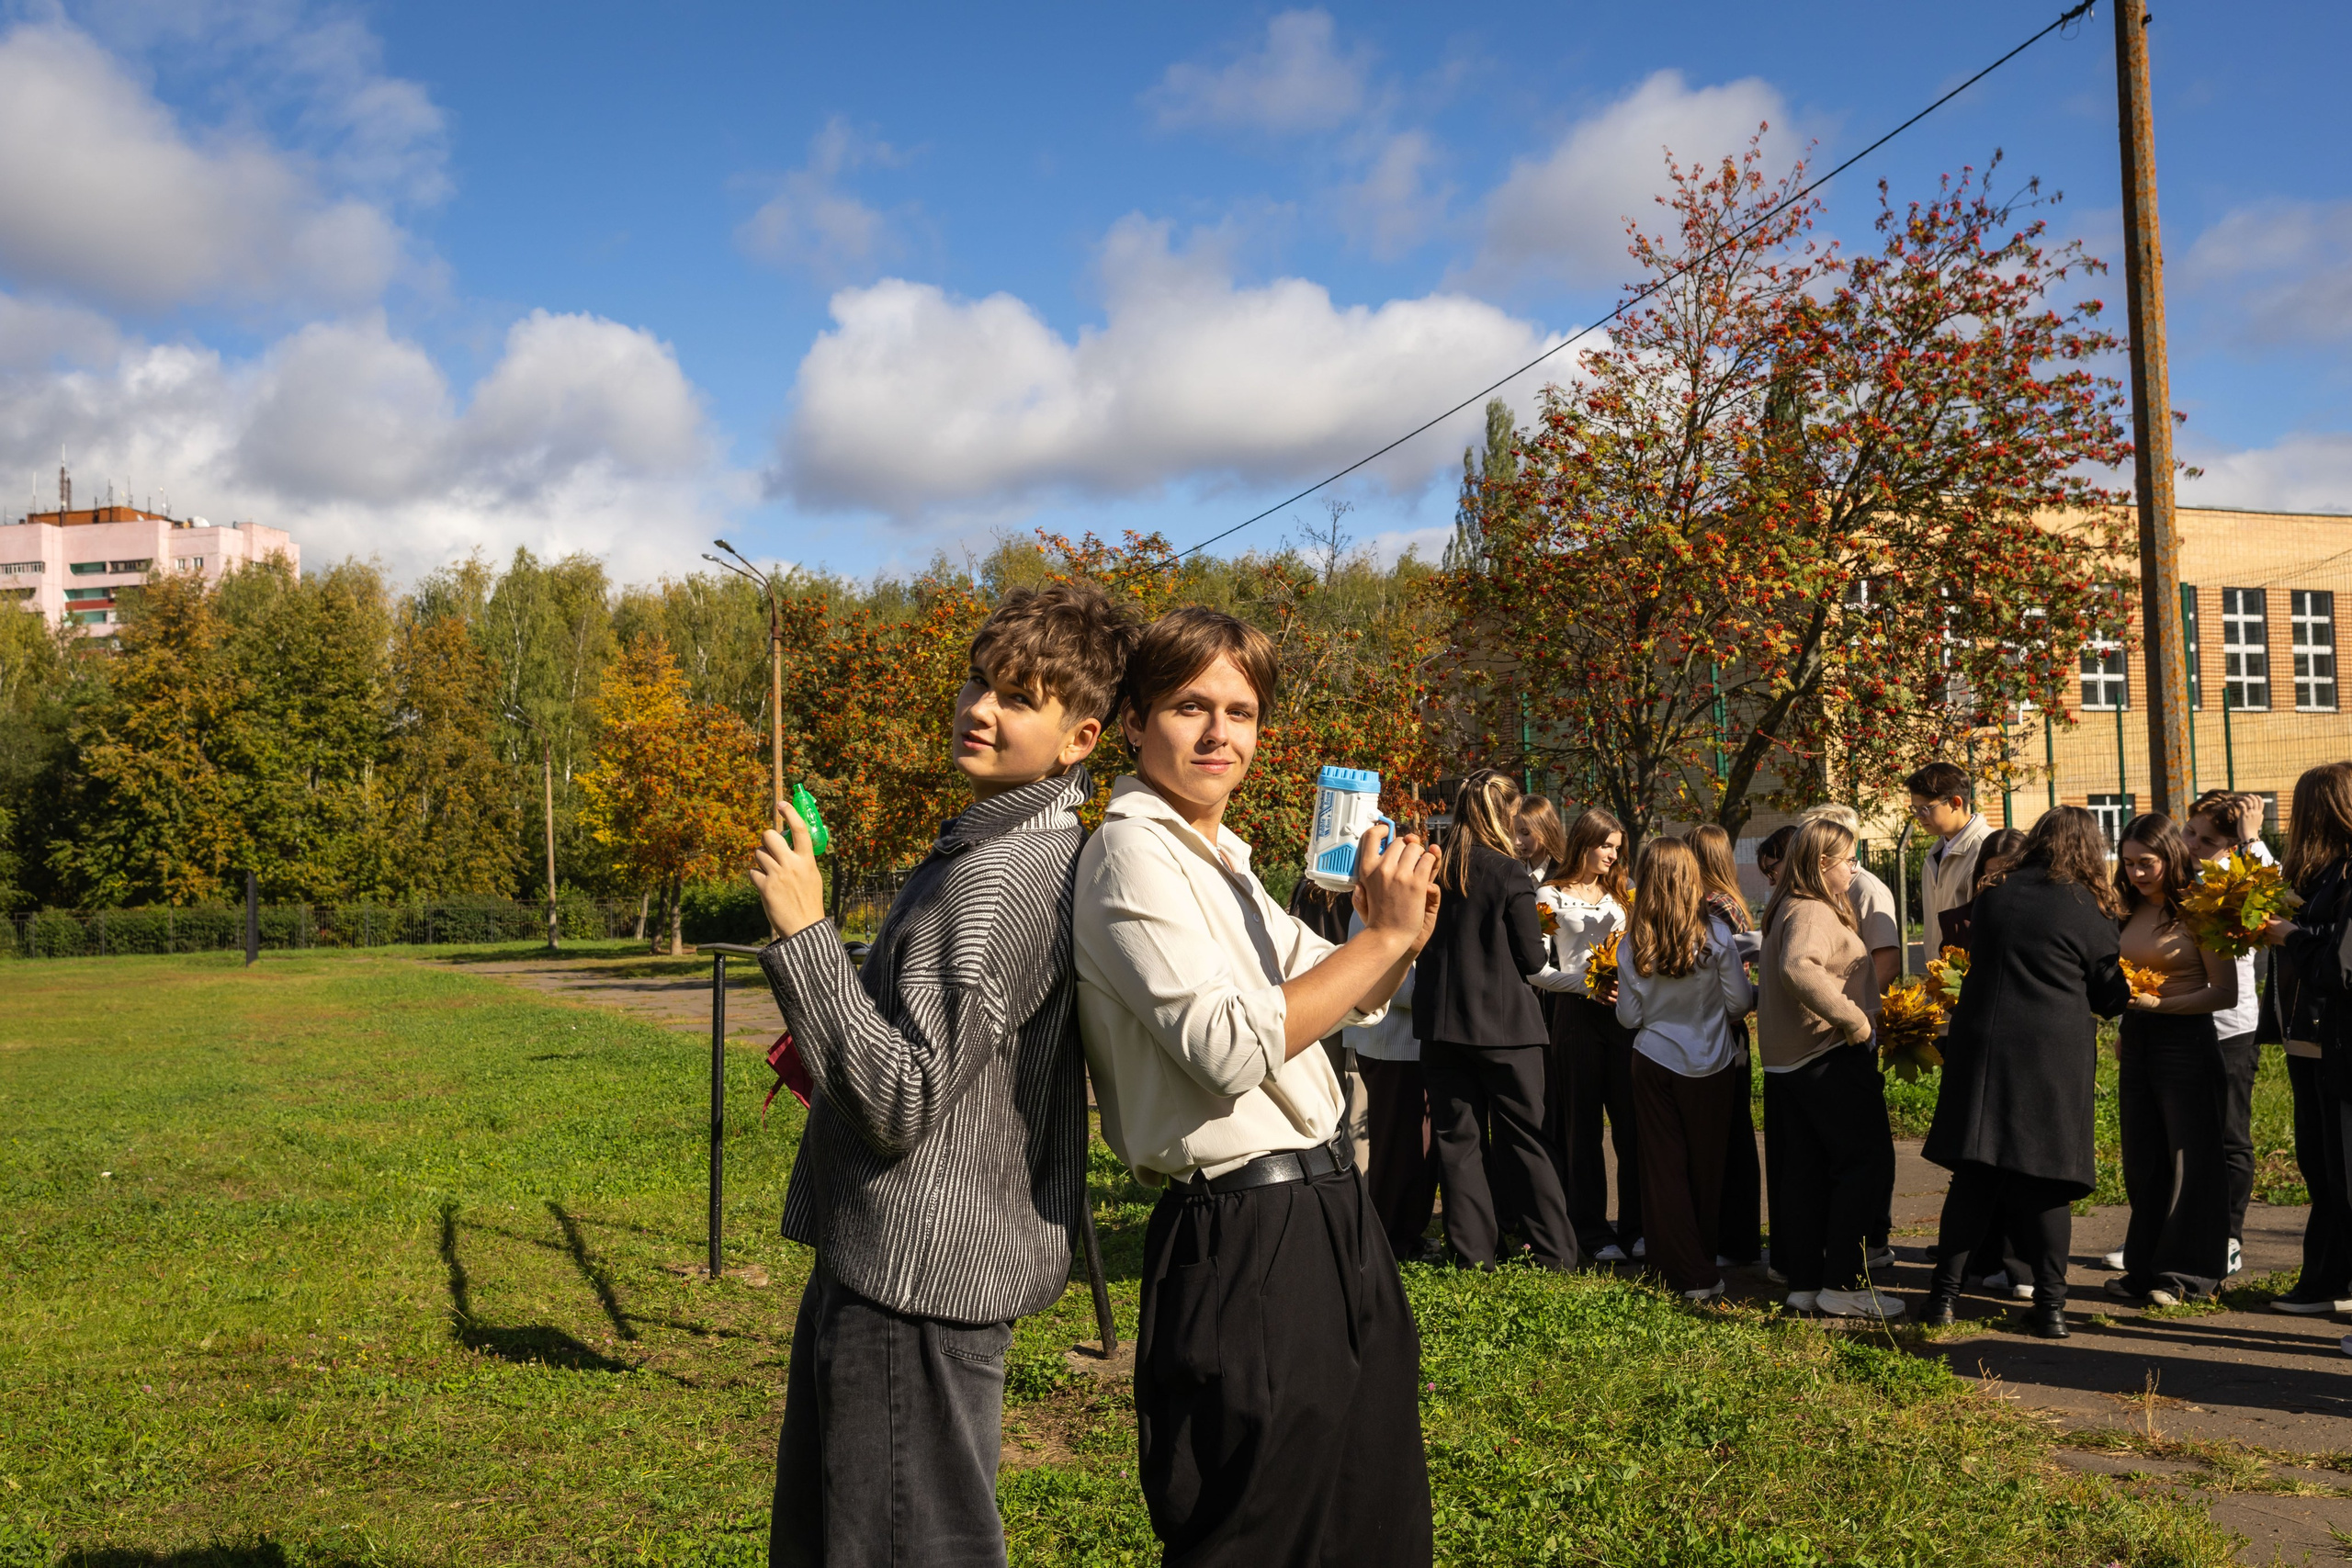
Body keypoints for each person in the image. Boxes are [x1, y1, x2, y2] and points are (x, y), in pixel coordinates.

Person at [747, 581, 1135, 1568]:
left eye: (1019, 697)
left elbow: (898, 1096)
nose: (979, 708)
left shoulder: (999, 877)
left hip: (913, 1284)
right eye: (977, 682)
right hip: (909, 1266)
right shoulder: (1007, 845)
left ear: (1081, 737)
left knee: (900, 1548)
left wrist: (804, 933)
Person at [1073, 606, 1437, 1566]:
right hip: (1241, 1231)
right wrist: (1382, 943)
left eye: (1240, 711)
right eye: (1189, 706)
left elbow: (1352, 999)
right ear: (1133, 721)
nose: (1217, 733)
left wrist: (1393, 928)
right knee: (1259, 1530)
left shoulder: (1218, 855)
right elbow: (1229, 1048)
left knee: (1369, 1513)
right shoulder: (1129, 851)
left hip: (1327, 1213)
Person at [1918, 807, 2131, 1337]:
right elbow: (2108, 994)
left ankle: (1942, 1300)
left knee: (1975, 1174)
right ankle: (2052, 1307)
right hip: (2052, 1051)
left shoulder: (1997, 892)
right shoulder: (2090, 905)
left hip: (1985, 1044)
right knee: (2048, 1180)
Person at [1419, 769, 1578, 1269]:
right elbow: (1532, 961)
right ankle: (1554, 1252)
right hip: (1507, 1029)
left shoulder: (1434, 867)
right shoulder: (1509, 873)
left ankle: (1473, 1255)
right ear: (1503, 813)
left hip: (1442, 1028)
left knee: (1457, 1142)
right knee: (1527, 1138)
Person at [1757, 818, 1902, 1320]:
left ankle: (1806, 1282)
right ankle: (1845, 1284)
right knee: (1865, 1166)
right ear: (1822, 865)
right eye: (1848, 860)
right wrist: (1855, 1021)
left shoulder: (1788, 905)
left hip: (1789, 1064)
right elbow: (1799, 967)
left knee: (1805, 1175)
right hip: (1825, 1056)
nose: (1854, 868)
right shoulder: (1814, 910)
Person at [2105, 812, 2238, 1306]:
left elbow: (2224, 992)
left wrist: (2162, 1007)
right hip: (2138, 1038)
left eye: (2147, 863)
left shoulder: (2200, 910)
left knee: (2190, 1159)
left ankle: (2188, 1277)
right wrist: (2130, 1022)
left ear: (2172, 857)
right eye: (2129, 863)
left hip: (2186, 1042)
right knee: (2144, 1160)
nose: (2137, 873)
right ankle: (2144, 1271)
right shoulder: (2128, 907)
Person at [1616, 838, 1756, 1301]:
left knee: (1662, 1170)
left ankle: (1675, 1268)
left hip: (1655, 1059)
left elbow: (1630, 1018)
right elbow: (1740, 1001)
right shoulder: (1715, 934)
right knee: (1706, 1167)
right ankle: (1702, 1261)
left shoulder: (1633, 939)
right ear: (1691, 877)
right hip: (1712, 1061)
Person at [2264, 763, 2352, 1325]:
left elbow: (2341, 961)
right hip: (2307, 1035)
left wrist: (2291, 935)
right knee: (2319, 1166)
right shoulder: (2318, 872)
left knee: (2335, 1169)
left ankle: (2328, 1278)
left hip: (2332, 1035)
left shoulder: (2344, 876)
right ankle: (2325, 1276)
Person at [1530, 807, 1638, 1261]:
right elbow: (1537, 968)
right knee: (1582, 1128)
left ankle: (1638, 1228)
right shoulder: (1548, 895)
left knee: (1632, 1127)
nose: (1612, 855)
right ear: (1583, 842)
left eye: (1618, 847)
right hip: (1574, 1017)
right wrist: (1585, 985)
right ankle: (1591, 1232)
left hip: (1624, 1018)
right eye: (1605, 845)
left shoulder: (1625, 894)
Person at [1798, 803, 1899, 1271]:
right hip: (1833, 1032)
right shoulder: (1811, 896)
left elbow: (1885, 960)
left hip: (1852, 1032)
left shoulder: (1865, 888)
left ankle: (1871, 1237)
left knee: (1866, 1146)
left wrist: (1856, 1017)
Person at [2180, 791, 2275, 1280]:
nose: (2193, 843)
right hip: (2178, 1025)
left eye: (2207, 838)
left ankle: (2228, 1238)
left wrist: (2252, 839)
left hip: (2230, 1030)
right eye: (2190, 831)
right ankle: (2174, 1236)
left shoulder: (2242, 879)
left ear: (2232, 844)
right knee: (2177, 1138)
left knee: (2228, 1138)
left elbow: (2273, 897)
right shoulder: (2178, 877)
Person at [1685, 823, 1762, 1266]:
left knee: (1726, 1138)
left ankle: (1733, 1239)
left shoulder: (1713, 905)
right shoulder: (1731, 900)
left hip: (1720, 1029)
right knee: (1735, 1136)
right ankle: (1739, 1237)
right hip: (1731, 1030)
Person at [1345, 907, 1440, 1262]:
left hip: (1409, 1045)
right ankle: (1392, 1241)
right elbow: (1384, 982)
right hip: (1394, 1046)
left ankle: (1404, 1236)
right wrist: (1443, 997)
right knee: (1400, 1149)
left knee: (1414, 1148)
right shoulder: (1374, 905)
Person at [1908, 761, 1992, 956]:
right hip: (1942, 975)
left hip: (1971, 976)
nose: (1919, 816)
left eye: (1926, 808)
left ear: (1955, 803)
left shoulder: (1987, 849)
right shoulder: (1935, 853)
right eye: (1915, 809)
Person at [1516, 794, 1566, 885]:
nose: (1517, 842)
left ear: (1546, 830)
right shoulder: (1511, 871)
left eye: (1525, 833)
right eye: (1512, 833)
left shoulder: (1566, 873)